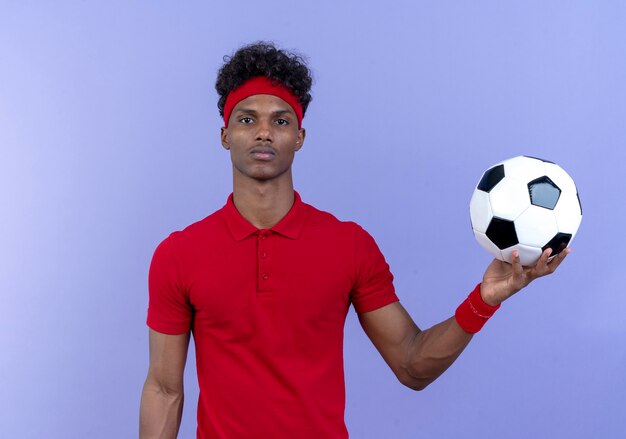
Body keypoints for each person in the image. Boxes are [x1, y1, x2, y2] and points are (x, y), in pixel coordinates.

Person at [139, 41, 569, 439]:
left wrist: (485, 299)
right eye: (247, 119)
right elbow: (163, 390)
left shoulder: (348, 245)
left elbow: (413, 365)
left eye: (281, 120)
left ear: (300, 137)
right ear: (225, 135)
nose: (264, 132)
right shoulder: (180, 254)